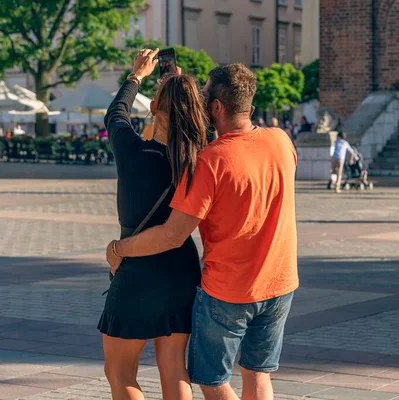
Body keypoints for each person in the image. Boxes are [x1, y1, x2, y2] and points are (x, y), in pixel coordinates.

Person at [106, 63, 298, 400]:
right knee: (252, 374)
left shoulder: (207, 160)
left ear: (217, 108)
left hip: (225, 287)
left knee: (202, 378)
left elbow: (171, 234)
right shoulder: (280, 140)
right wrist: (182, 88)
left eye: (208, 95)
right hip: (277, 283)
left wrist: (118, 249)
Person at [99, 48, 204, 400]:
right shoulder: (197, 159)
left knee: (120, 372)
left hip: (138, 266)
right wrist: (180, 86)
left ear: (155, 108)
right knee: (174, 365)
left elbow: (116, 114)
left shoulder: (133, 152)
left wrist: (136, 76)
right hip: (182, 267)